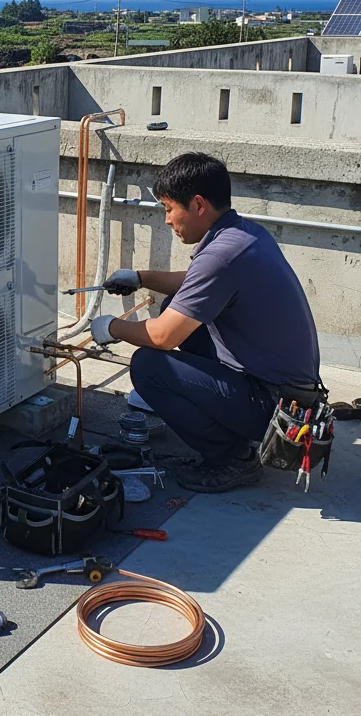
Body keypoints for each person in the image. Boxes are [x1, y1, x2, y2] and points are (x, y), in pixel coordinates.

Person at [89, 152, 321, 493]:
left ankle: (234, 459)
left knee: (149, 365)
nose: (167, 220)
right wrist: (141, 277)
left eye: (169, 209)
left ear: (198, 204)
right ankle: (231, 426)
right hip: (290, 395)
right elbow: (197, 283)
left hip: (275, 409)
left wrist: (112, 328)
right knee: (177, 308)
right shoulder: (244, 235)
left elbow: (163, 336)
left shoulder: (221, 256)